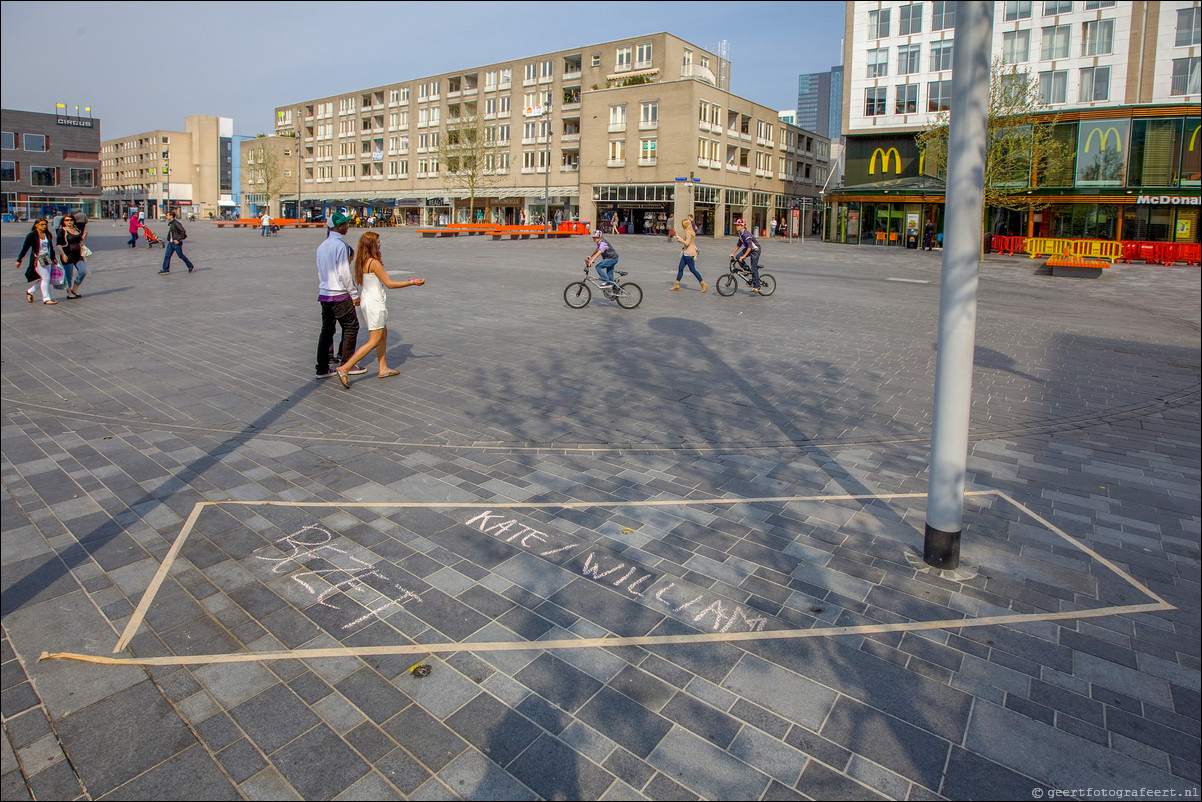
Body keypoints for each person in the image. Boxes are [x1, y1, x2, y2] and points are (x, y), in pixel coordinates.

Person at [334, 231, 425, 389]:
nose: (380, 243)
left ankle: (383, 368)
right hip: (375, 303)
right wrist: (413, 282)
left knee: (383, 334)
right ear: (372, 245)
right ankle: (345, 368)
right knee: (374, 340)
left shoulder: (363, 260)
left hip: (369, 301)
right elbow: (389, 284)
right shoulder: (374, 263)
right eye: (378, 241)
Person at [315, 212, 366, 380]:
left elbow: (320, 271)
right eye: (345, 224)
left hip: (325, 294)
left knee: (327, 330)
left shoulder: (322, 246)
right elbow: (344, 273)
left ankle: (322, 367)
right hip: (339, 294)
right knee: (351, 326)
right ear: (337, 227)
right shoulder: (341, 246)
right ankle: (347, 362)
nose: (347, 226)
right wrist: (353, 294)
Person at [15, 218, 59, 304]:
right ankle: (46, 298)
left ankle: (30, 291)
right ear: (36, 225)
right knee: (46, 278)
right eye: (42, 224)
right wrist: (19, 259)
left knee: (46, 278)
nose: (44, 226)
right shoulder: (32, 235)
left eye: (45, 225)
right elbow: (25, 248)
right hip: (38, 258)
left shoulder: (47, 234)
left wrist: (54, 258)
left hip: (47, 258)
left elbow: (51, 247)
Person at [672, 216, 707, 293]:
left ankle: (703, 284)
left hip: (689, 253)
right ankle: (676, 285)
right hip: (686, 253)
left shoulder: (688, 233)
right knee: (680, 268)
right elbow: (691, 243)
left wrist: (680, 239)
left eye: (683, 225)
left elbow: (687, 243)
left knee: (693, 270)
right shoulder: (691, 232)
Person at [57, 214, 88, 299]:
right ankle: (69, 292)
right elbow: (59, 244)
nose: (69, 222)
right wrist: (63, 254)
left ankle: (75, 289)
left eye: (71, 220)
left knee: (83, 271)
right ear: (63, 221)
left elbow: (79, 241)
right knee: (68, 275)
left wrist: (84, 237)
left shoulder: (76, 229)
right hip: (68, 255)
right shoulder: (62, 231)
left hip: (78, 255)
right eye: (67, 220)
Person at [730, 218, 764, 293]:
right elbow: (739, 245)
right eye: (736, 225)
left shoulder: (746, 234)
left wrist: (744, 256)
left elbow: (750, 247)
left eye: (738, 225)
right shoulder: (740, 233)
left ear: (742, 226)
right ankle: (747, 270)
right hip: (749, 249)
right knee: (738, 257)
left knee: (754, 267)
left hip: (755, 250)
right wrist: (733, 253)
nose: (736, 226)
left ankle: (757, 286)